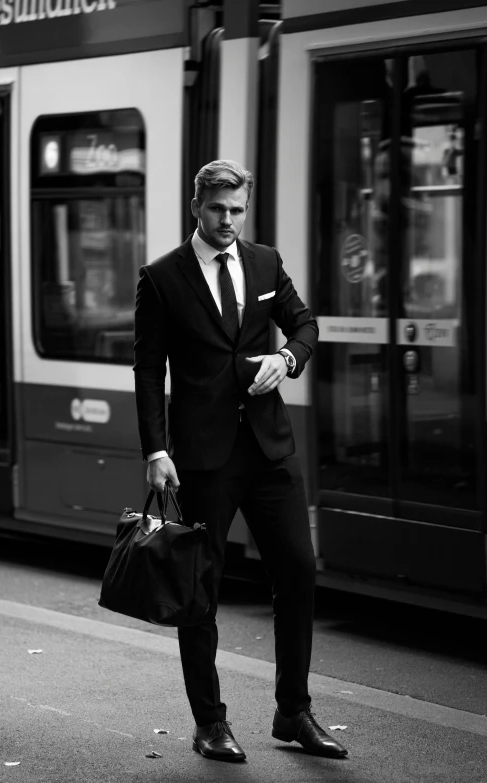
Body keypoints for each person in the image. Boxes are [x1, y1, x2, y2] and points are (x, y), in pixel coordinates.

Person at [133, 159, 348, 763]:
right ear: (196, 207)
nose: (229, 221)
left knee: (298, 572)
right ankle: (210, 722)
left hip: (269, 446)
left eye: (238, 211)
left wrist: (290, 360)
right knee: (201, 591)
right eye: (218, 210)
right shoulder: (163, 277)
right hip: (201, 458)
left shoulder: (264, 262)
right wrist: (156, 450)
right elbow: (149, 370)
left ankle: (293, 712)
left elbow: (303, 325)